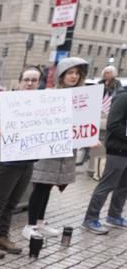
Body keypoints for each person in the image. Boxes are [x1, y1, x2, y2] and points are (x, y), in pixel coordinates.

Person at [22, 57, 90, 239]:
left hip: (65, 149)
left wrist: (89, 136)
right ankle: (30, 226)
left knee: (48, 186)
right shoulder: (50, 94)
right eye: (70, 72)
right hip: (49, 147)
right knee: (41, 185)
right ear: (62, 74)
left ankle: (40, 222)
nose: (74, 76)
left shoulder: (82, 96)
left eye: (77, 73)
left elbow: (84, 122)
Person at [0, 67, 42, 258]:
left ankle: (2, 236)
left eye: (34, 80)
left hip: (27, 162)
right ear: (19, 81)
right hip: (6, 163)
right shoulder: (6, 104)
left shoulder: (41, 106)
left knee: (12, 203)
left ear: (38, 83)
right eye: (27, 79)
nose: (30, 83)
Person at [82, 88, 127, 234]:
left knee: (123, 186)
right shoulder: (123, 98)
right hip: (118, 150)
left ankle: (114, 216)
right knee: (107, 185)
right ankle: (90, 219)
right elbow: (113, 124)